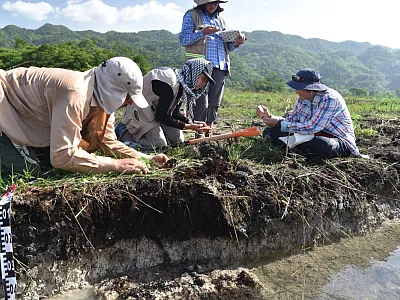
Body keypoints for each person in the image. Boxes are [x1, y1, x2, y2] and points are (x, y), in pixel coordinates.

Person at [0, 57, 169, 178]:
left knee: (45, 164)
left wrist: (145, 158)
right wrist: (116, 165)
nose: (130, 103)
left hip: (27, 118)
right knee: (30, 173)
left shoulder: (102, 100)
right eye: (128, 97)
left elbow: (107, 142)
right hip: (5, 108)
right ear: (113, 91)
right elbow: (62, 156)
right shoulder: (74, 94)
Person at [257, 68, 363, 158]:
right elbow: (293, 119)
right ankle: (298, 149)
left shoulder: (330, 99)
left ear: (310, 89)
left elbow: (312, 127)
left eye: (299, 88)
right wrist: (270, 117)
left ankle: (294, 148)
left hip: (335, 138)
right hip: (310, 135)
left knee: (323, 145)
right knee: (272, 131)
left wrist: (280, 123)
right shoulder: (303, 98)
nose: (296, 92)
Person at [179, 0, 247, 137]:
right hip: (201, 64)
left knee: (215, 100)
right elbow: (183, 40)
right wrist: (202, 32)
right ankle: (199, 131)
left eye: (215, 3)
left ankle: (209, 128)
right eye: (210, 3)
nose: (212, 5)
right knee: (200, 100)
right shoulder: (192, 15)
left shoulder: (220, 20)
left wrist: (236, 43)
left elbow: (227, 47)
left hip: (220, 64)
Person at [118, 58, 214, 148]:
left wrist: (192, 123)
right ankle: (122, 132)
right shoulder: (170, 83)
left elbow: (174, 113)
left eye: (206, 81)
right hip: (140, 111)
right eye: (203, 79)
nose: (203, 84)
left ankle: (154, 132)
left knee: (177, 141)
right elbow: (161, 116)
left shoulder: (182, 85)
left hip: (155, 111)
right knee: (159, 145)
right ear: (194, 73)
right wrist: (189, 126)